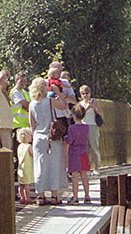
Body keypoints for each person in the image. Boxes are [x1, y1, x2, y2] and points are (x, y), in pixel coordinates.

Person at [29, 77, 69, 205]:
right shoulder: (50, 101)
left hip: (38, 138)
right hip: (52, 137)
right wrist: (58, 93)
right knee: (54, 165)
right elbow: (64, 107)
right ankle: (54, 196)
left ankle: (40, 196)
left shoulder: (31, 104)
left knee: (39, 165)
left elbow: (32, 125)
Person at [64, 104, 91, 204]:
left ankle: (75, 197)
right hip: (83, 152)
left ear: (74, 115)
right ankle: (87, 196)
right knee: (84, 175)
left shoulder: (71, 128)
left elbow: (69, 141)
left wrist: (65, 138)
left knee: (75, 176)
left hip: (74, 153)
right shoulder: (86, 127)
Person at [79, 85, 103, 176]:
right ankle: (86, 168)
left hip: (92, 126)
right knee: (85, 149)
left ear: (90, 93)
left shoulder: (93, 101)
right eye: (83, 93)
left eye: (87, 93)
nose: (85, 95)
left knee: (94, 147)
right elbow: (79, 115)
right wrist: (85, 108)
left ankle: (96, 168)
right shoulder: (80, 104)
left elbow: (100, 113)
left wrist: (93, 106)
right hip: (83, 126)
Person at [15, 127, 34, 205]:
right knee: (27, 185)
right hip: (28, 167)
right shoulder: (28, 146)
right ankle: (27, 198)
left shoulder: (20, 146)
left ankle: (22, 197)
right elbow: (32, 155)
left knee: (21, 184)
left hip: (20, 167)